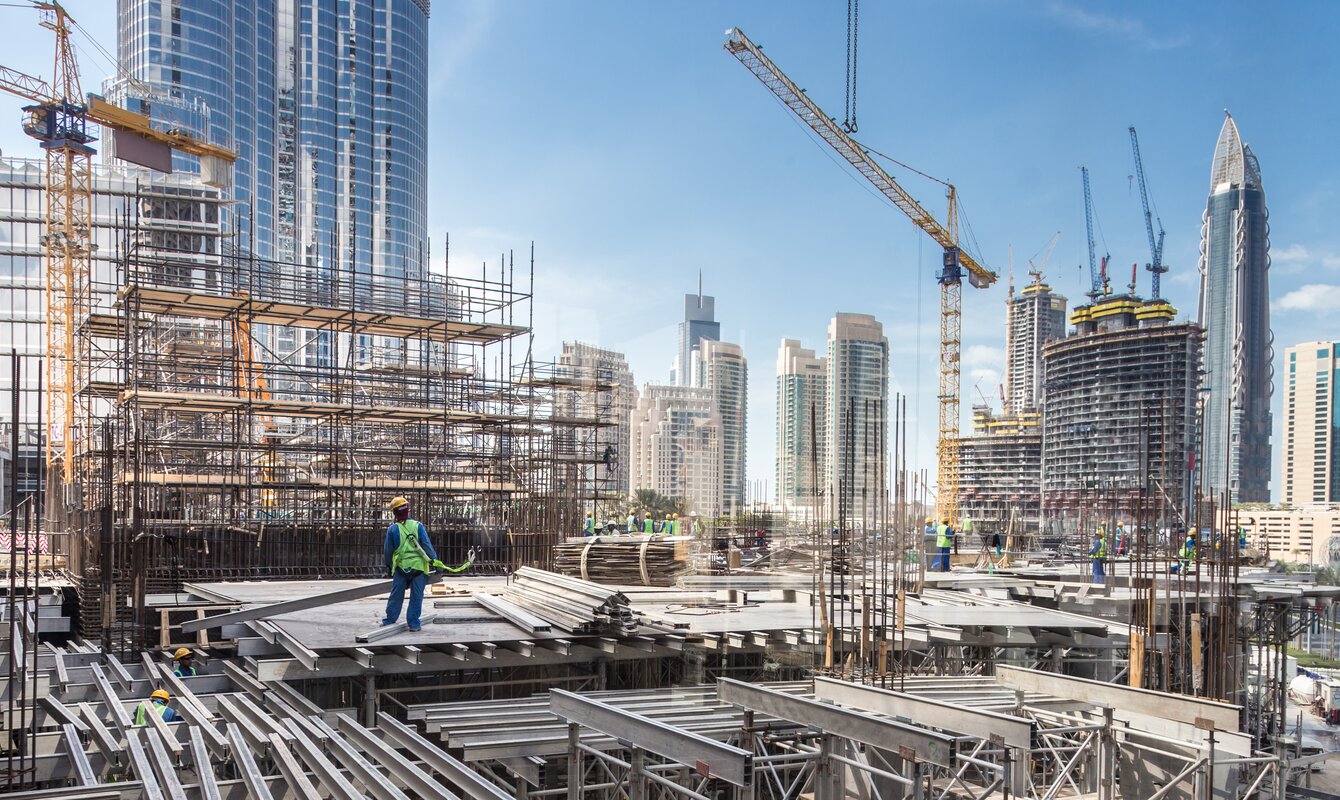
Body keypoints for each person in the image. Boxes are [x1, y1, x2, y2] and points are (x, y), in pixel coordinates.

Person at [382, 496, 439, 632]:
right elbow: (427, 546)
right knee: (416, 596)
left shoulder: (393, 530)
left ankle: (390, 620)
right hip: (419, 568)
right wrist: (435, 563)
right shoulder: (418, 526)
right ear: (408, 510)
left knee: (396, 595)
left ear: (394, 513)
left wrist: (389, 566)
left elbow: (388, 551)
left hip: (401, 568)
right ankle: (413, 624)